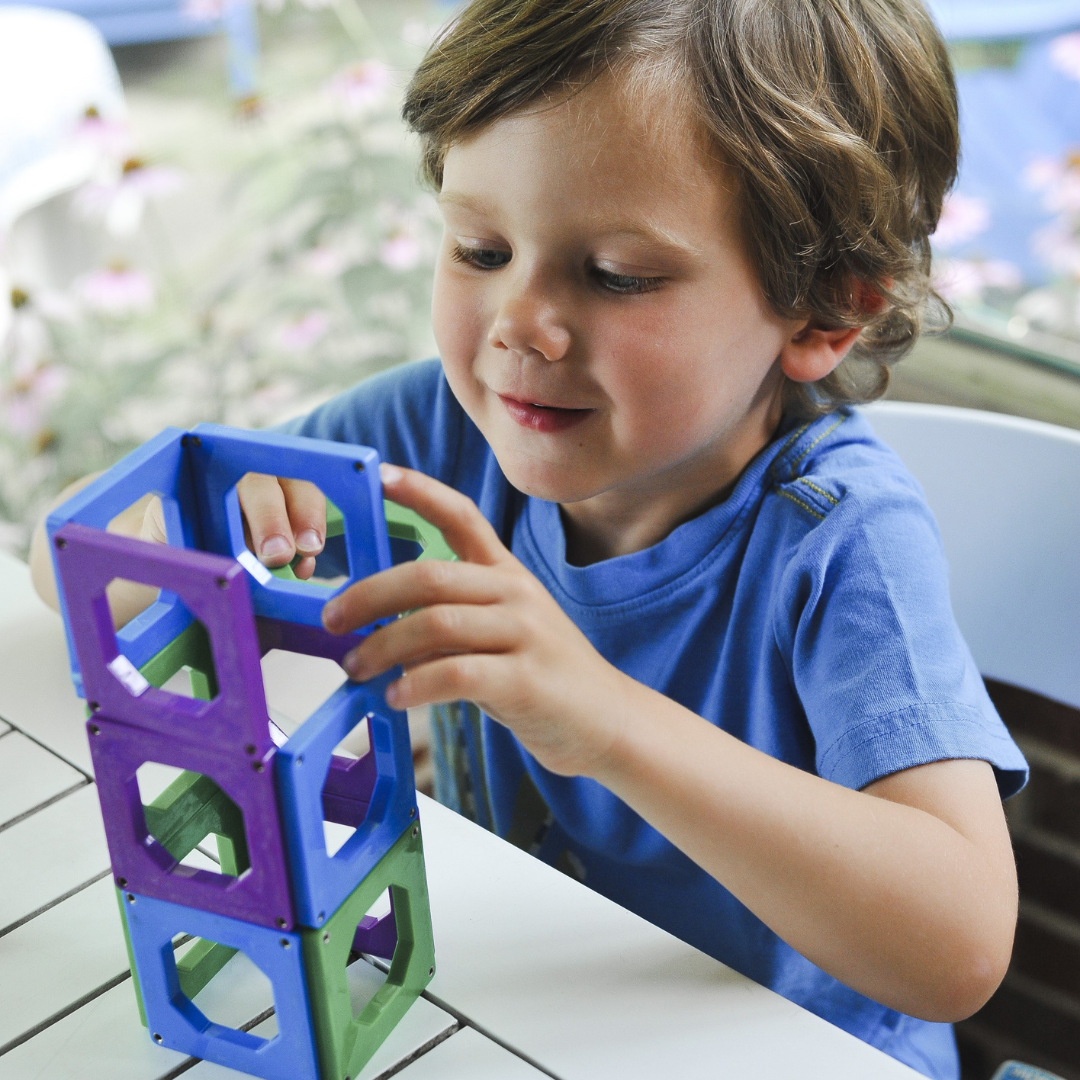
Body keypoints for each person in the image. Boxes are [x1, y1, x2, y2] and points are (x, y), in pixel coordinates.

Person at [31, 2, 1027, 1076]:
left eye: (618, 274)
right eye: (480, 248)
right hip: (510, 1011)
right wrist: (205, 508)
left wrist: (598, 719)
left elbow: (955, 947)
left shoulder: (841, 543)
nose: (519, 324)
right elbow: (63, 564)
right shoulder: (442, 426)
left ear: (824, 312)